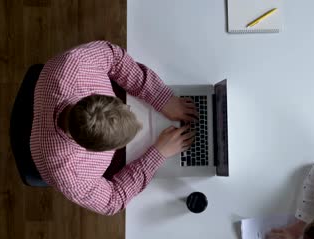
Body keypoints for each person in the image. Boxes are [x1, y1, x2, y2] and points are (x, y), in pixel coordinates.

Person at [30, 41, 198, 215]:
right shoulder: (72, 176)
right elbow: (113, 201)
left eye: (126, 109)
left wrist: (161, 97)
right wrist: (157, 155)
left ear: (97, 96)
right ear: (92, 151)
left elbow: (115, 57)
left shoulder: (76, 64)